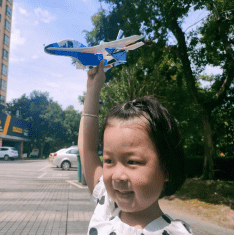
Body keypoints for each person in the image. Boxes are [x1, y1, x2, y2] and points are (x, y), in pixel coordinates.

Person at [79, 60, 191, 234]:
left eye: (132, 161)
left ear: (166, 169)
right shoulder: (106, 205)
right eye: (109, 160)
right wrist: (93, 88)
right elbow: (88, 150)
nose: (117, 175)